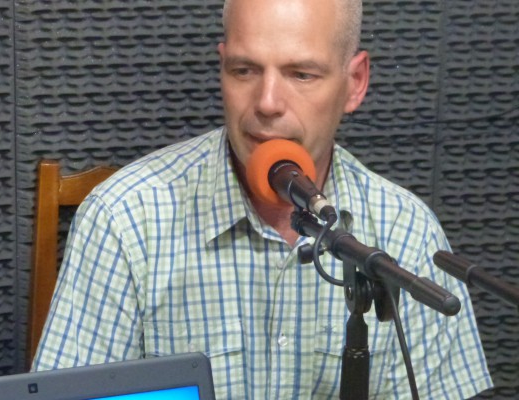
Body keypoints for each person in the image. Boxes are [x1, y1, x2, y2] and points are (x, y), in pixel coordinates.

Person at [32, 0, 493, 398]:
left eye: (301, 74)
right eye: (244, 70)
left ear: (354, 83)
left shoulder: (406, 229)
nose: (267, 102)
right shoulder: (125, 217)